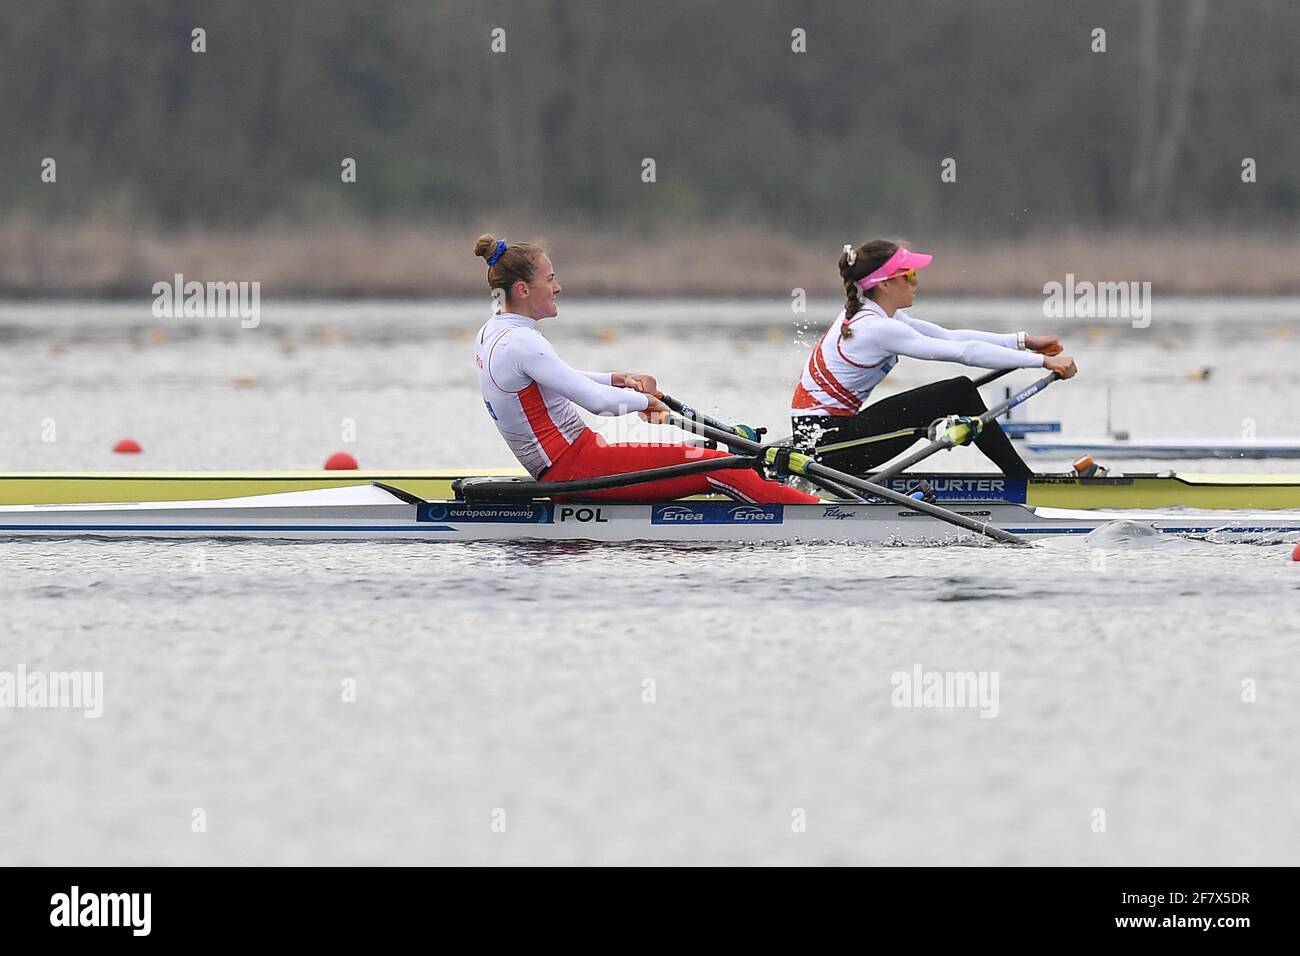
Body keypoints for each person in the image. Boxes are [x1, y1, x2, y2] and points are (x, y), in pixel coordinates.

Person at [473, 234, 819, 503]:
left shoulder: (495, 331)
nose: (558, 287)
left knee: (709, 456)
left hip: (571, 463)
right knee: (727, 469)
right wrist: (646, 403)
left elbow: (558, 379)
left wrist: (618, 380)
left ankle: (779, 500)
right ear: (522, 289)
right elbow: (597, 403)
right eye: (550, 279)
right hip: (575, 466)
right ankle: (821, 515)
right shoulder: (523, 343)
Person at [791, 240, 1078, 477]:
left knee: (957, 393)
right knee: (958, 391)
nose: (916, 282)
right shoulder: (877, 327)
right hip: (826, 449)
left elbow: (949, 337)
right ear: (884, 284)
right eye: (910, 275)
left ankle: (1019, 476)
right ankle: (1024, 480)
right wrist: (1043, 363)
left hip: (822, 442)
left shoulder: (875, 315)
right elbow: (963, 354)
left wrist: (1023, 342)